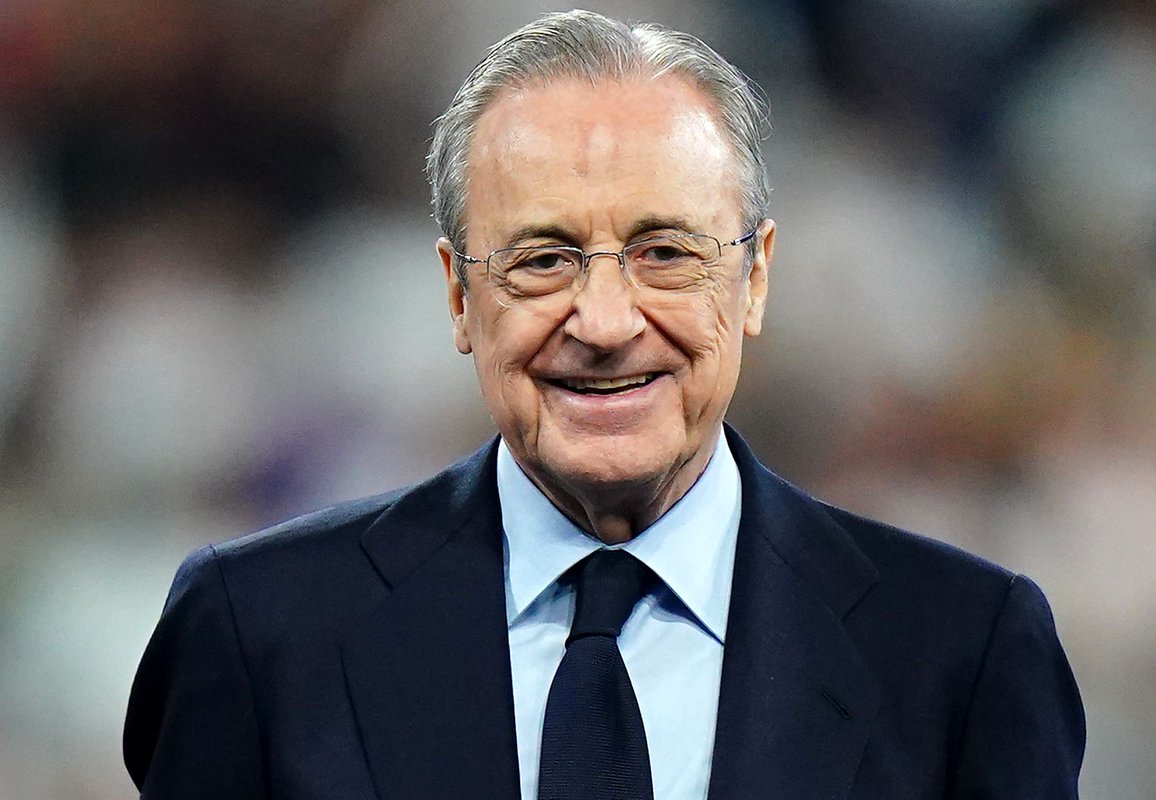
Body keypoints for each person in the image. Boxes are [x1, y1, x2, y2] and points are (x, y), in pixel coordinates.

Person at [123, 9, 1085, 800]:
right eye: (543, 260)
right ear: (459, 294)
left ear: (753, 279)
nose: (606, 321)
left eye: (665, 253)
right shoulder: (259, 634)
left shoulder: (960, 650)